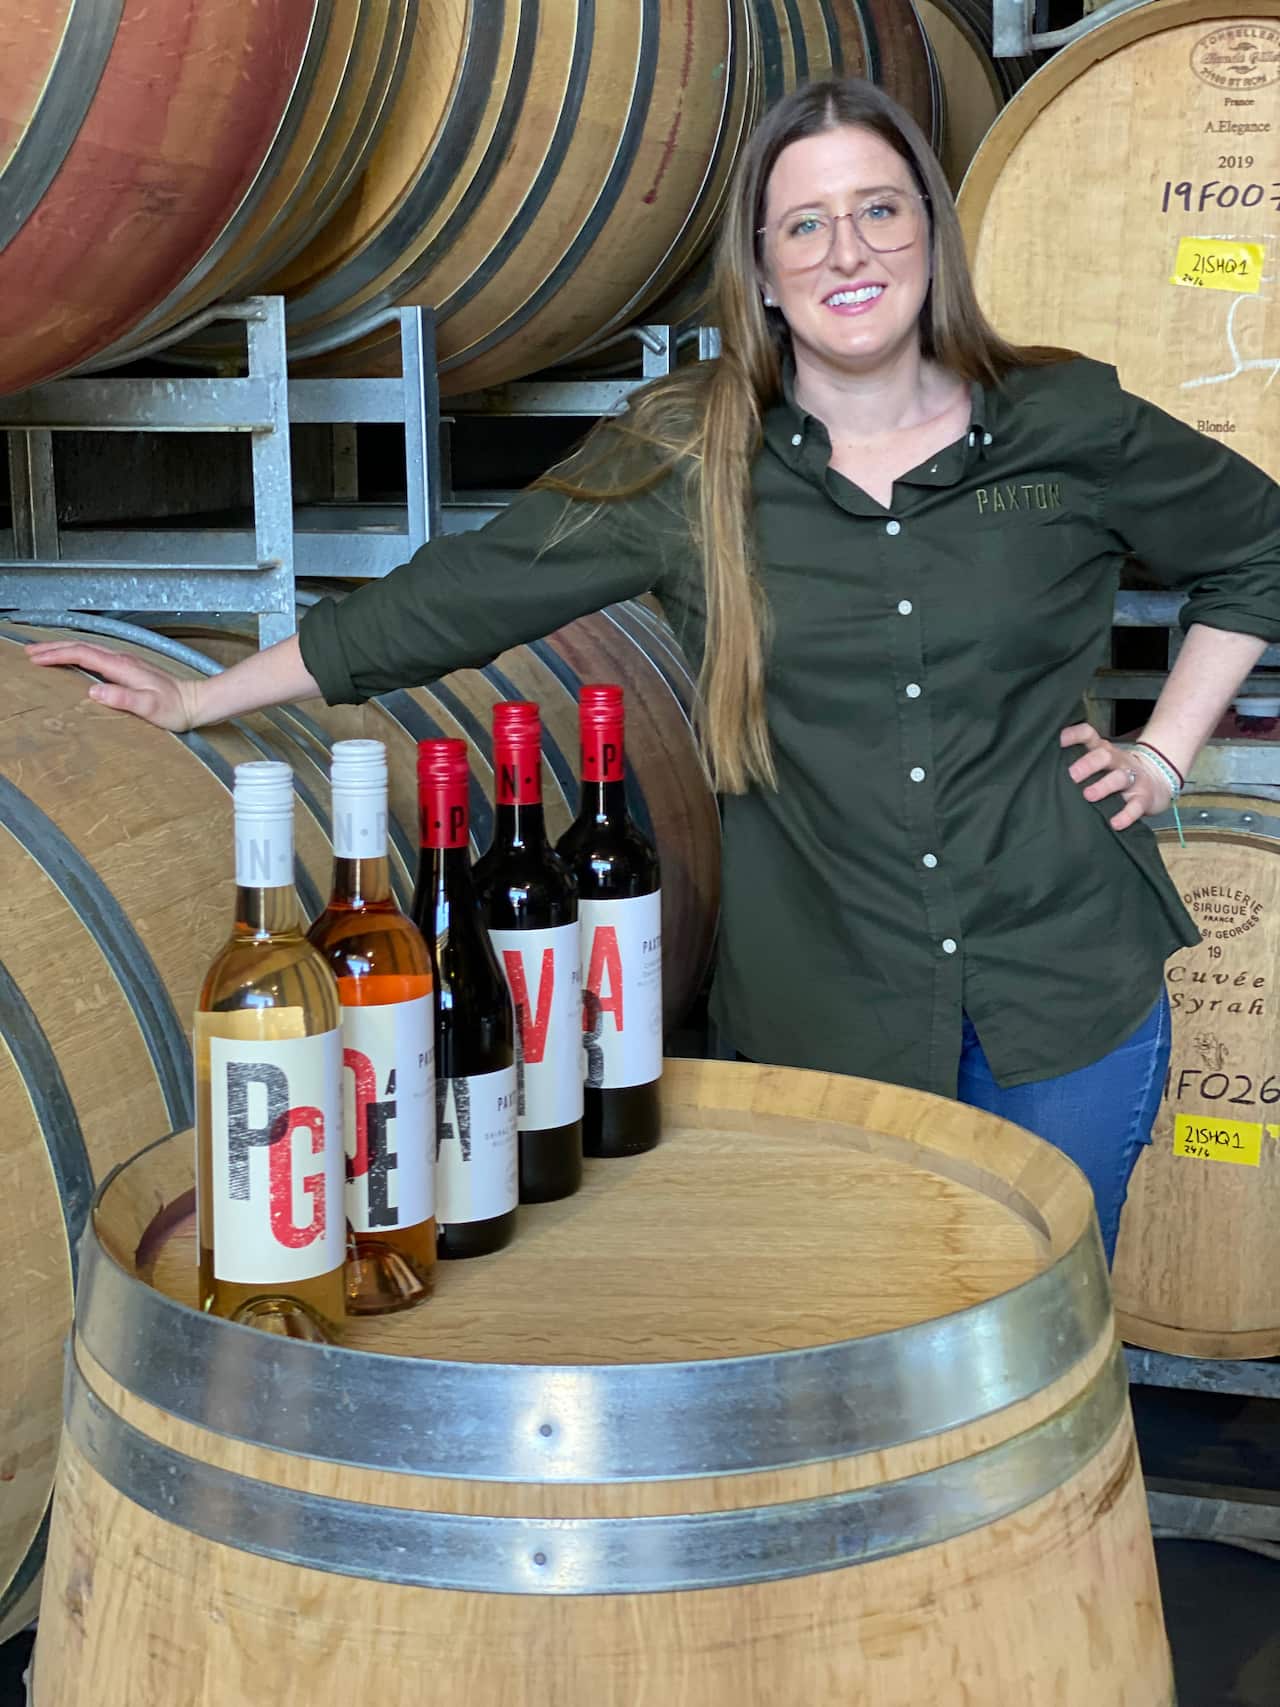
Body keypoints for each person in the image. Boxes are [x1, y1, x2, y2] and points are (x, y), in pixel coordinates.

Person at [28, 79, 1280, 1264]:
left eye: (878, 210)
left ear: (930, 239)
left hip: (1063, 990)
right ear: (766, 276)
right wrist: (197, 696)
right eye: (806, 224)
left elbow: (1256, 548)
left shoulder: (1066, 422)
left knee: (1041, 1347)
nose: (848, 252)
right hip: (820, 1014)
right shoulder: (690, 455)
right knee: (840, 1352)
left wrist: (1161, 753)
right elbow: (461, 596)